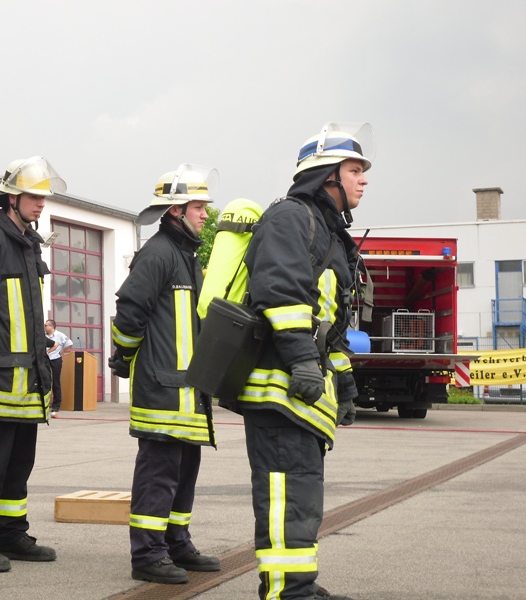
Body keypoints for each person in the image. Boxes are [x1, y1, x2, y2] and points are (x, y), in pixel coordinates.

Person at [239, 123, 372, 600]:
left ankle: (295, 586)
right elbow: (281, 294)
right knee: (286, 497)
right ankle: (287, 592)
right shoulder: (290, 219)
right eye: (354, 170)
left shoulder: (327, 232)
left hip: (301, 394)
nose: (363, 180)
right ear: (326, 175)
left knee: (301, 499)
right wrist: (302, 362)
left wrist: (344, 384)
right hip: (279, 391)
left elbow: (327, 324)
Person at [109, 164, 221, 585]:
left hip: (187, 393)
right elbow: (129, 313)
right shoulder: (157, 254)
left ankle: (176, 543)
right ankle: (147, 554)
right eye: (198, 207)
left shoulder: (186, 256)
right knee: (158, 474)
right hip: (162, 391)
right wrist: (124, 356)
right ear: (175, 210)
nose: (205, 214)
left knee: (184, 471)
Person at [0, 156, 65, 574]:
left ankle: (10, 533)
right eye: (32, 197)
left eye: (43, 197)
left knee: (19, 465)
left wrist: (45, 375)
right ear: (11, 199)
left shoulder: (29, 244)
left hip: (27, 384)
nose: (40, 204)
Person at [44, 319, 73, 417]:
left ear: (51, 326)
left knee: (56, 382)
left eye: (46, 325)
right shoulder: (44, 336)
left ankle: (56, 406)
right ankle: (46, 404)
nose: (45, 327)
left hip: (56, 359)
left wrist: (62, 351)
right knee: (46, 381)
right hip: (46, 360)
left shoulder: (59, 335)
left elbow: (69, 343)